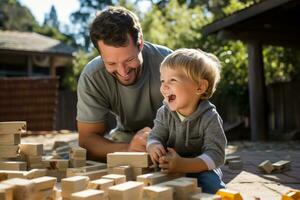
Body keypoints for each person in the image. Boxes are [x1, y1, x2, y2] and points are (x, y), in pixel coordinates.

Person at [76, 6, 172, 161]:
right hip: (125, 137)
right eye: (111, 63)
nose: (123, 72)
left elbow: (195, 124)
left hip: (172, 138)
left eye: (129, 60)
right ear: (100, 55)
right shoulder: (92, 77)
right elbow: (87, 140)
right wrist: (129, 149)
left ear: (140, 44)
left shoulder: (170, 65)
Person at [147, 48, 227, 194]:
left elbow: (216, 155)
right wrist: (154, 145)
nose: (164, 86)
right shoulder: (164, 113)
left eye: (172, 80)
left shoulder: (210, 117)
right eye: (162, 80)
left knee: (213, 187)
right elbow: (155, 135)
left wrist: (183, 165)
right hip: (170, 167)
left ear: (200, 87)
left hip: (201, 169)